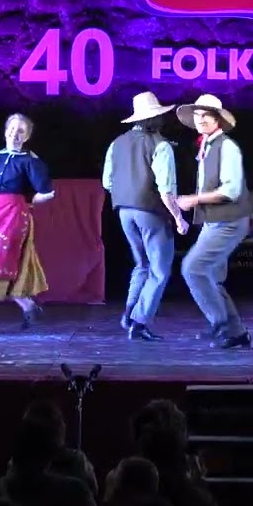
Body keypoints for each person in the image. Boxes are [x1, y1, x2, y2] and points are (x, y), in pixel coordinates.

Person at [102, 92, 189, 341]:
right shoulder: (160, 145)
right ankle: (139, 324)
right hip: (150, 212)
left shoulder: (116, 143)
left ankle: (129, 314)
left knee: (141, 265)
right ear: (155, 119)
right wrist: (179, 218)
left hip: (124, 212)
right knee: (159, 270)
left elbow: (108, 182)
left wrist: (128, 191)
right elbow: (166, 189)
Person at [175, 95, 253, 349]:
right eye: (197, 116)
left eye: (206, 115)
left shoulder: (227, 146)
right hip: (215, 220)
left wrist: (194, 200)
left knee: (192, 268)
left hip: (229, 219)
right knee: (209, 275)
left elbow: (230, 191)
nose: (200, 120)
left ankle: (220, 324)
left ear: (218, 118)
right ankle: (236, 332)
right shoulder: (207, 145)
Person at [0, 113, 54, 333]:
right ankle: (20, 308)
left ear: (27, 137)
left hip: (14, 215)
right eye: (13, 129)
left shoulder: (30, 161)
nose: (16, 133)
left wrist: (28, 203)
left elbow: (48, 192)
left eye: (21, 131)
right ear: (6, 131)